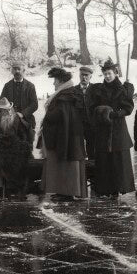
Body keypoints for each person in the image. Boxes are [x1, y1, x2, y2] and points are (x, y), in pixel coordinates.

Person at [39, 67, 88, 201]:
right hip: (68, 136)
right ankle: (63, 192)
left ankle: (67, 193)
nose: (53, 84)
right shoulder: (68, 94)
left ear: (60, 81)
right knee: (65, 164)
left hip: (67, 137)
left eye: (55, 81)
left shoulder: (65, 95)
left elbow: (58, 115)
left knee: (67, 164)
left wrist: (48, 115)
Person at [89, 59, 136, 198]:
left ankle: (117, 189)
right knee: (105, 159)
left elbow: (128, 108)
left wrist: (116, 114)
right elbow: (93, 107)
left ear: (115, 73)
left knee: (117, 159)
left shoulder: (123, 89)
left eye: (109, 73)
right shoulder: (98, 89)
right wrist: (101, 111)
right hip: (103, 128)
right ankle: (105, 189)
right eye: (105, 74)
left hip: (118, 128)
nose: (107, 76)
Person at [0, 62, 39, 146]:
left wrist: (22, 114)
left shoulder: (30, 86)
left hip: (25, 118)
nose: (17, 71)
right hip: (9, 118)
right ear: (12, 71)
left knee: (26, 139)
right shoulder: (7, 85)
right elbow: (1, 101)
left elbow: (34, 104)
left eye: (19, 69)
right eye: (14, 69)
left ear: (23, 70)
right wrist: (8, 111)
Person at [74, 66, 96, 159]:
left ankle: (91, 169)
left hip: (92, 125)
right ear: (79, 76)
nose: (84, 77)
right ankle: (80, 170)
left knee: (92, 148)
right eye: (82, 75)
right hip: (78, 125)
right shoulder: (73, 90)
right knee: (77, 148)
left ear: (90, 77)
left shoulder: (95, 89)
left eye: (86, 75)